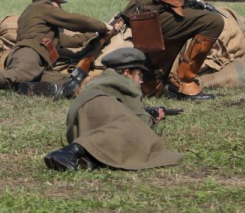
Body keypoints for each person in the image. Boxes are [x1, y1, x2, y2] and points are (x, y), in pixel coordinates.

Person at [0, 0, 114, 101]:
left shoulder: (40, 20)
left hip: (35, 59)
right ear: (51, 2)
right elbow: (73, 20)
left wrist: (99, 34)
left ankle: (28, 88)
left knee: (63, 80)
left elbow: (71, 41)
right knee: (16, 75)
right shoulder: (43, 7)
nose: (59, 8)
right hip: (29, 53)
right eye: (58, 3)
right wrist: (102, 25)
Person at [44, 48, 182, 172]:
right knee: (138, 134)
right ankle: (67, 152)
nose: (141, 81)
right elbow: (140, 123)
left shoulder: (100, 80)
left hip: (76, 126)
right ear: (127, 73)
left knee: (116, 131)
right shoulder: (125, 83)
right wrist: (154, 119)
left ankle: (90, 158)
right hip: (98, 106)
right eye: (139, 75)